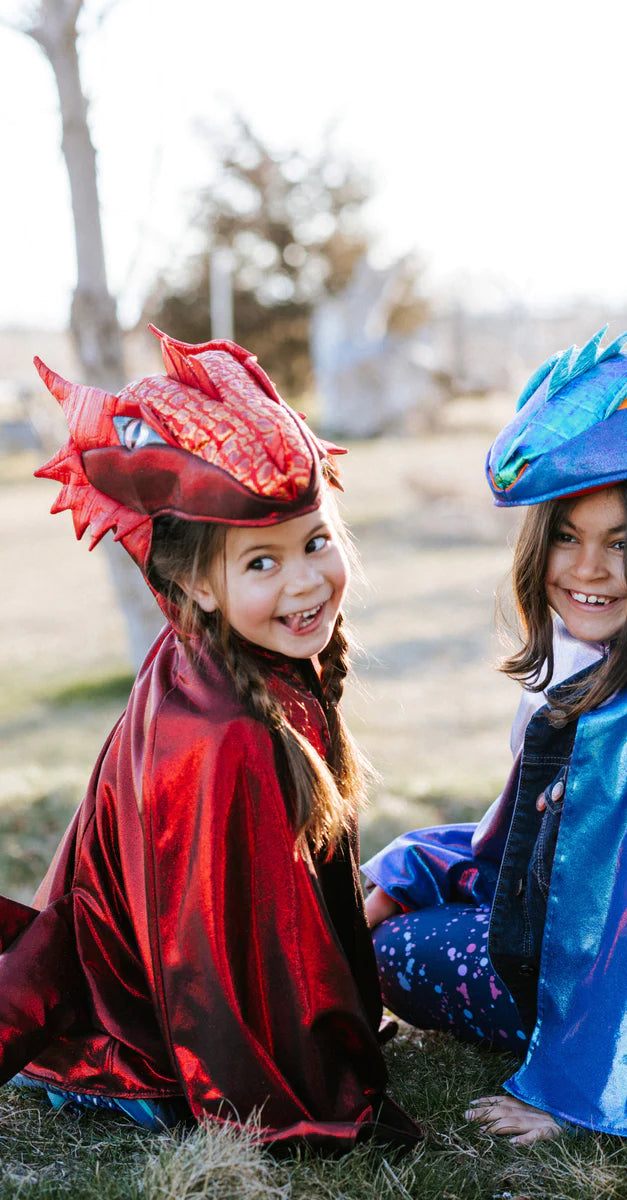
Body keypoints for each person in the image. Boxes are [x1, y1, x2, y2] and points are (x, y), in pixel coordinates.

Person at [363, 323, 627, 1144]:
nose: (587, 569)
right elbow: (532, 849)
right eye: (567, 535)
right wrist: (410, 869)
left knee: (398, 955)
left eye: (622, 543)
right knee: (381, 906)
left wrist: (583, 1094)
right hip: (577, 932)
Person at [0, 328, 419, 1150]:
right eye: (260, 563)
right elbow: (215, 943)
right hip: (147, 1028)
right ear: (195, 582)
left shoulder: (242, 655)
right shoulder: (221, 731)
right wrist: (299, 1096)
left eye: (316, 541)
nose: (304, 580)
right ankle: (110, 1088)